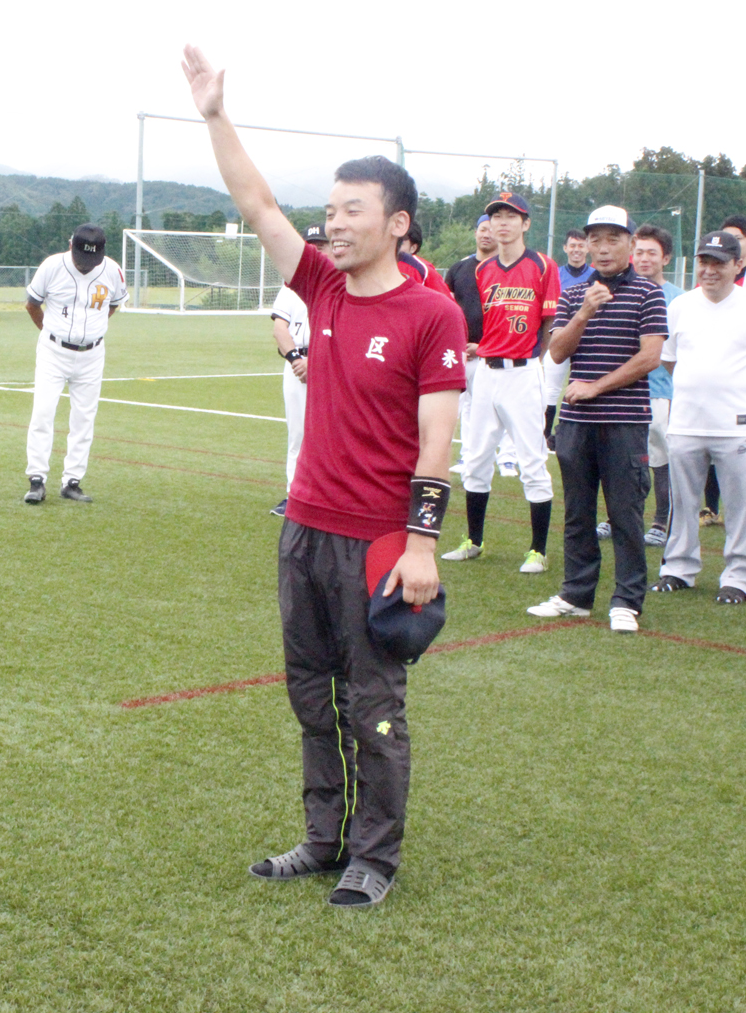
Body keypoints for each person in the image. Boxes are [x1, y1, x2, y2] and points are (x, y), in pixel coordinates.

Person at [183, 45, 465, 909]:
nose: (332, 223)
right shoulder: (321, 287)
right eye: (330, 209)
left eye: (352, 211)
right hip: (304, 525)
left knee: (374, 703)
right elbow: (257, 202)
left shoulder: (431, 312)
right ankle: (322, 835)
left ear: (399, 223)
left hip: (380, 541)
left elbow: (437, 435)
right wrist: (214, 116)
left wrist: (421, 543)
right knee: (311, 691)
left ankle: (374, 856)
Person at [525, 205, 667, 633]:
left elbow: (650, 357)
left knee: (625, 512)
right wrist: (585, 312)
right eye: (596, 240)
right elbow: (556, 352)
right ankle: (576, 594)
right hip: (576, 422)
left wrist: (595, 386)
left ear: (629, 243)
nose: (603, 249)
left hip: (624, 420)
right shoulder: (574, 293)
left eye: (613, 239)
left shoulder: (648, 293)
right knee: (578, 511)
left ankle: (626, 599)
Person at [649, 230, 746, 603]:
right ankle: (678, 568)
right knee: (683, 501)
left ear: (738, 265)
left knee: (742, 505)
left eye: (719, 263)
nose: (709, 270)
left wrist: (736, 387)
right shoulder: (680, 306)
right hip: (686, 422)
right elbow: (669, 359)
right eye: (704, 261)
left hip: (736, 426)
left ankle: (740, 577)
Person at [442, 192, 557, 573]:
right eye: (496, 216)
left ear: (525, 224)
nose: (501, 223)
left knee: (532, 461)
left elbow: (548, 322)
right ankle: (474, 540)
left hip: (523, 373)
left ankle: (537, 550)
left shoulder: (542, 265)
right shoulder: (482, 271)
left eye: (511, 216)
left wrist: (532, 362)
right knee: (475, 457)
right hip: (487, 373)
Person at [22, 223, 129, 504]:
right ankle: (37, 480)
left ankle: (72, 481)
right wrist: (50, 333)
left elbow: (114, 304)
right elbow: (32, 304)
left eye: (92, 260)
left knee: (84, 418)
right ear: (71, 246)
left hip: (93, 354)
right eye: (81, 259)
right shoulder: (51, 267)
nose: (86, 265)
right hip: (53, 351)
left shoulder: (113, 270)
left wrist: (92, 330)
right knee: (43, 413)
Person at [629, 224, 684, 548]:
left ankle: (661, 521)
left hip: (663, 393)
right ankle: (616, 518)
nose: (644, 258)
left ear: (666, 257)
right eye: (639, 252)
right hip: (625, 392)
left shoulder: (678, 299)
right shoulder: (622, 290)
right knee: (624, 462)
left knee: (662, 460)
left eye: (652, 253)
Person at [269, 223, 328, 515]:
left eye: (322, 244)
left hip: (330, 366)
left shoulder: (342, 281)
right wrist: (295, 359)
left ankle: (327, 497)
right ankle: (295, 496)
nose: (316, 249)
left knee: (331, 434)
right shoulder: (292, 283)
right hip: (296, 367)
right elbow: (280, 328)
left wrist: (315, 362)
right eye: (311, 245)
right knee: (298, 434)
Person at [445, 215, 499, 475]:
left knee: (488, 409)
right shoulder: (459, 268)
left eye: (491, 229)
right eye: (482, 229)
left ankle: (501, 457)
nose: (486, 234)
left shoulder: (504, 271)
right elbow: (448, 309)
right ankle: (467, 456)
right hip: (460, 352)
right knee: (462, 408)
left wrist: (484, 345)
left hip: (492, 354)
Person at [543, 229, 592, 451]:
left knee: (581, 388)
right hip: (560, 337)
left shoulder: (596, 274)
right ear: (565, 248)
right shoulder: (555, 273)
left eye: (581, 245)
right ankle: (542, 436)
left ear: (588, 248)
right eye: (572, 245)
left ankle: (565, 434)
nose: (576, 250)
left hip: (588, 340)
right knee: (550, 389)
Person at [398, 222, 456, 299]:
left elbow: (446, 302)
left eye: (401, 242)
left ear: (413, 248)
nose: (394, 245)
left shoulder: (423, 269)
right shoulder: (379, 265)